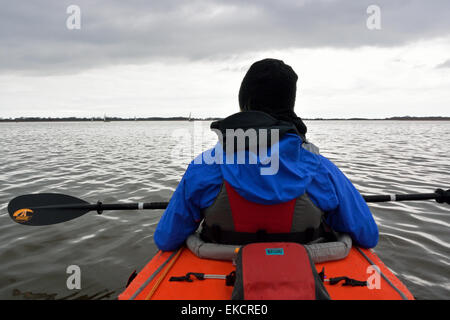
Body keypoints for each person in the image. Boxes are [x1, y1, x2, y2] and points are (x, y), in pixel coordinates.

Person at [154, 58, 378, 251]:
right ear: (289, 105)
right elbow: (368, 236)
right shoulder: (320, 169)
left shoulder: (203, 167)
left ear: (245, 104)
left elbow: (165, 239)